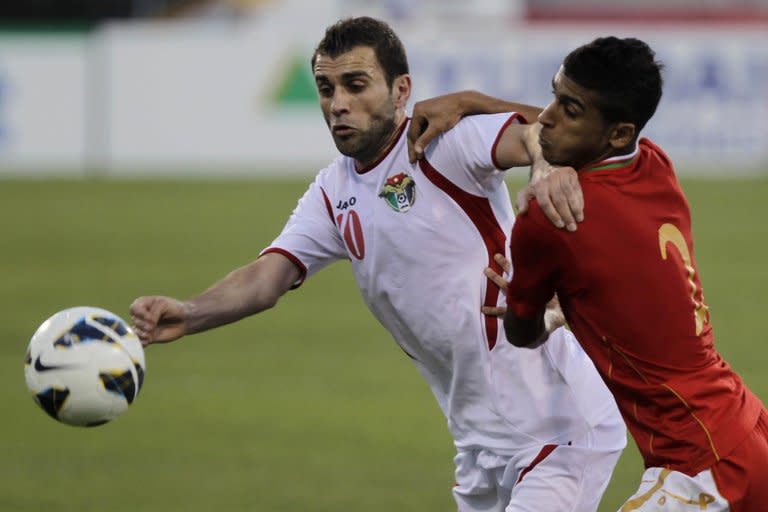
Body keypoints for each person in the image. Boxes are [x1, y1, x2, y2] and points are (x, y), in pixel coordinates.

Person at [129, 17, 626, 512]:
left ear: (401, 89)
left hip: (559, 430)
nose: (338, 103)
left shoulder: (444, 143)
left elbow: (539, 136)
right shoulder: (333, 191)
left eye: (355, 84)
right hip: (480, 448)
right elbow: (268, 277)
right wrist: (189, 312)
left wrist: (543, 168)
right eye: (326, 88)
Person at [417, 37, 768, 510]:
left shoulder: (548, 220)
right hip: (744, 425)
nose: (547, 117)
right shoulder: (655, 164)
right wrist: (473, 103)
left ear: (619, 133)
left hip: (702, 465)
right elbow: (566, 135)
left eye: (570, 109)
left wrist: (546, 315)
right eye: (554, 96)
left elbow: (522, 333)